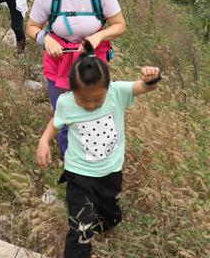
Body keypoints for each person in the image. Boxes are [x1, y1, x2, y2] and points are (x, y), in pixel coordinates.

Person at [36, 39, 161, 258]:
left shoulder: (117, 92)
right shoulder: (66, 102)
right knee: (81, 228)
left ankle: (105, 226)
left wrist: (152, 77)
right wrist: (44, 141)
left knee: (110, 215)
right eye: (84, 100)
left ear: (107, 88)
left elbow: (145, 87)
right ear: (71, 90)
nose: (91, 105)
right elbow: (56, 123)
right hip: (79, 174)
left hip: (111, 172)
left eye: (97, 100)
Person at [26, 0, 126, 157]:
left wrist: (97, 38)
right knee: (64, 113)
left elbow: (119, 25)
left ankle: (98, 161)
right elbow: (31, 26)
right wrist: (46, 38)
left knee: (95, 112)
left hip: (93, 65)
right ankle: (70, 162)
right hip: (59, 63)